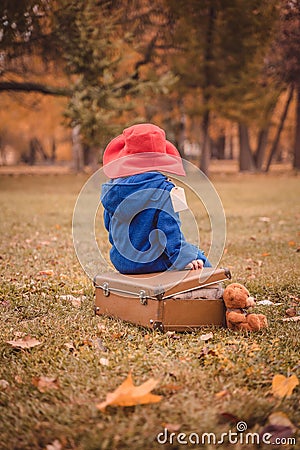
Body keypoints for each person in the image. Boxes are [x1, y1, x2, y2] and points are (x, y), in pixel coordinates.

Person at [101, 123, 211, 274]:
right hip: (152, 263)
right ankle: (214, 290)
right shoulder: (163, 191)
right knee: (199, 259)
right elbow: (169, 230)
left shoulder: (112, 191)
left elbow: (109, 225)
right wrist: (185, 258)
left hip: (122, 262)